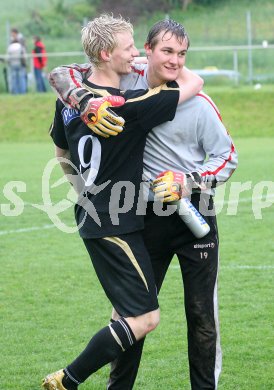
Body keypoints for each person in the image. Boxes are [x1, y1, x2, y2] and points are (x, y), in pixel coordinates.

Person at [48, 19, 238, 390]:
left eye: (183, 54)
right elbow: (65, 74)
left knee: (201, 316)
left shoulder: (197, 102)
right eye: (166, 51)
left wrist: (190, 181)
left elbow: (227, 156)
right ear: (146, 51)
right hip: (140, 218)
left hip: (195, 217)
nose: (176, 61)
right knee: (133, 314)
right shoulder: (123, 92)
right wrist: (83, 99)